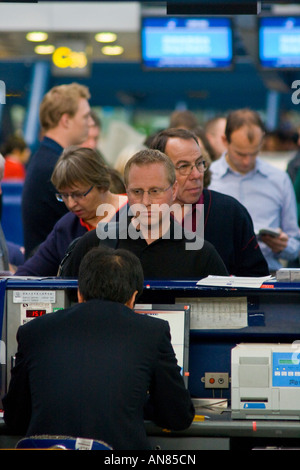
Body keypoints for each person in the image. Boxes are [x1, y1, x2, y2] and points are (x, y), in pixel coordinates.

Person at [4, 246, 195, 450]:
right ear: (133, 297)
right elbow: (178, 417)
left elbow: (15, 419)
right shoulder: (152, 332)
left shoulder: (33, 331)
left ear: (79, 293)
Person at [61, 148, 228, 279]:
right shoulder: (94, 243)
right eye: (137, 191)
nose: (146, 201)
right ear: (126, 191)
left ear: (174, 190)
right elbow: (65, 304)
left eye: (155, 191)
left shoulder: (201, 254)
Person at [148, 128, 269, 277]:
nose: (197, 174)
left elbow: (257, 276)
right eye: (184, 166)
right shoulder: (140, 215)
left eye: (200, 163)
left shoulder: (231, 212)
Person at [208, 108, 300, 273]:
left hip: (267, 275)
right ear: (224, 140)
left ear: (262, 141)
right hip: (219, 275)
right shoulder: (207, 179)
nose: (247, 161)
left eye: (254, 152)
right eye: (240, 153)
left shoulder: (279, 179)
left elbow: (295, 246)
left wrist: (283, 245)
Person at [15, 146, 127, 277]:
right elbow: (28, 274)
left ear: (102, 185)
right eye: (63, 195)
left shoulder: (137, 215)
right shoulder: (67, 227)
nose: (71, 204)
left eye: (78, 194)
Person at [22, 83, 92, 258]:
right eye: (85, 117)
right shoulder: (54, 167)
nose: (90, 123)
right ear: (66, 120)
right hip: (52, 274)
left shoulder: (44, 159)